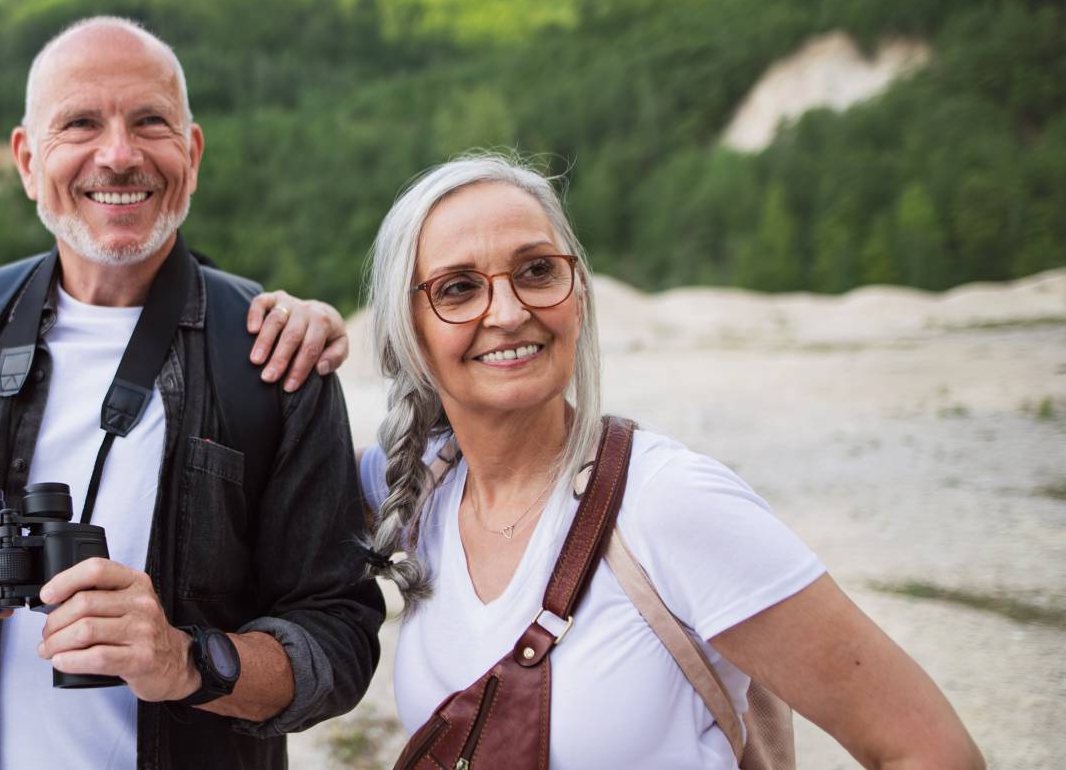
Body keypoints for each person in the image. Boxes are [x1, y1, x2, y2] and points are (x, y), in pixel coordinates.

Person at [0, 17, 384, 770]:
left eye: (150, 122)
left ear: (192, 155)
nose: (119, 154)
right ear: (27, 160)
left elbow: (339, 636)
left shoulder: (271, 353)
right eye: (80, 123)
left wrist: (186, 661)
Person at [358, 153, 983, 768]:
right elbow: (284, 477)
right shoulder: (421, 487)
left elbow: (932, 752)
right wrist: (288, 324)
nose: (509, 311)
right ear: (404, 330)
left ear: (577, 295)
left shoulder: (671, 503)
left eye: (538, 271)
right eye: (458, 288)